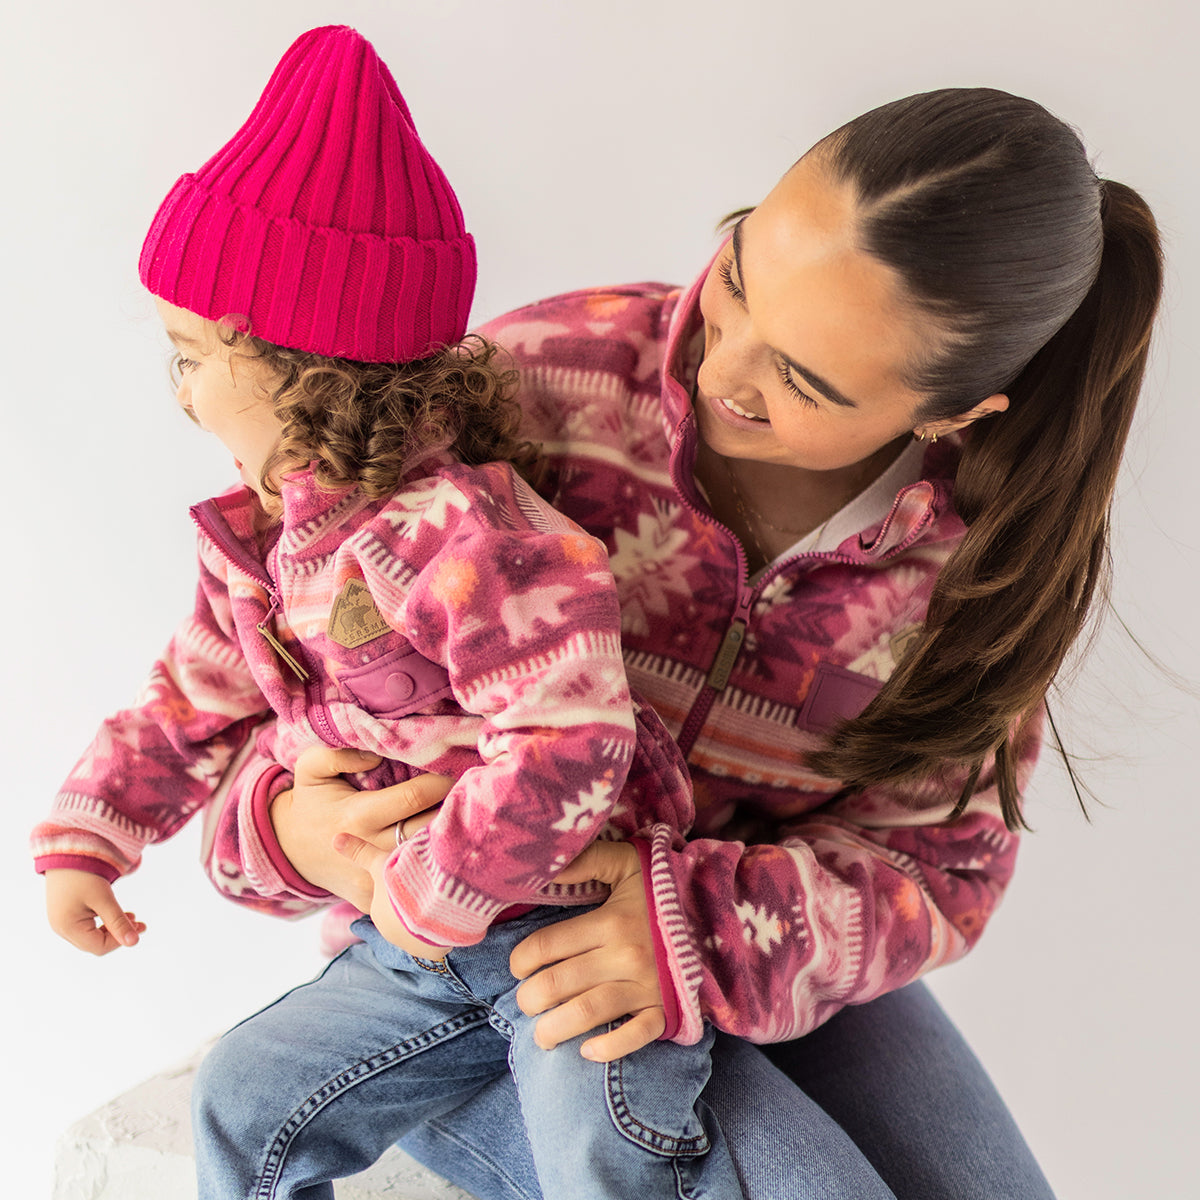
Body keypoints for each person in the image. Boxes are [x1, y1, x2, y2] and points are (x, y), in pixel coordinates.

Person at [191, 83, 1163, 1199]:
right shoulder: (535, 386)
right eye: (737, 276)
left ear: (955, 412)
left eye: (798, 380)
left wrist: (692, 929)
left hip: (748, 927)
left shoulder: (976, 571)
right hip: (481, 958)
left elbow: (941, 870)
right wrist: (278, 827)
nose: (718, 364)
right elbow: (255, 657)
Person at [32, 25, 747, 1200]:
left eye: (192, 354)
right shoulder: (255, 545)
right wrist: (93, 835)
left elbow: (573, 741)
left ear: (296, 365)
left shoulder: (475, 542)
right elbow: (190, 699)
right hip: (406, 951)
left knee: (605, 1158)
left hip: (560, 928)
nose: (179, 387)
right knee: (243, 1105)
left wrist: (443, 887)